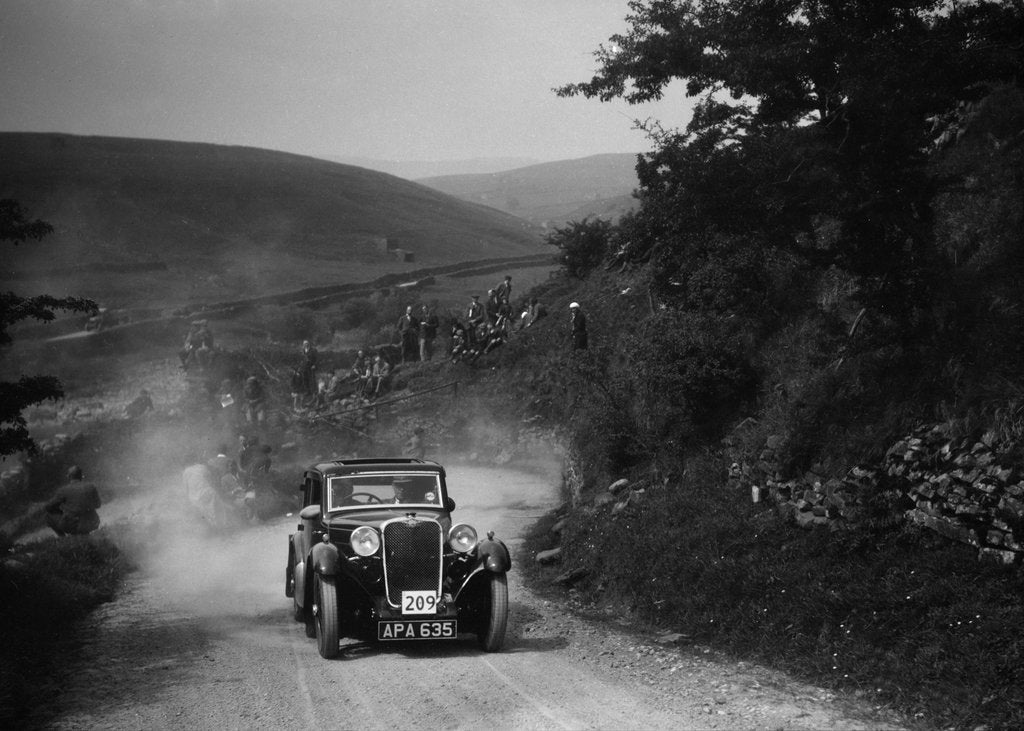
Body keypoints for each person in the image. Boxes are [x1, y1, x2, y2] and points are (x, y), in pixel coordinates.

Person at [44, 466, 101, 537]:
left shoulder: (63, 490)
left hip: (73, 526)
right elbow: (98, 505)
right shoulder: (91, 487)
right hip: (91, 523)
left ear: (69, 477)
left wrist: (61, 511)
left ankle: (62, 537)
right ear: (82, 476)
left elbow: (48, 507)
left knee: (48, 516)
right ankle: (85, 533)